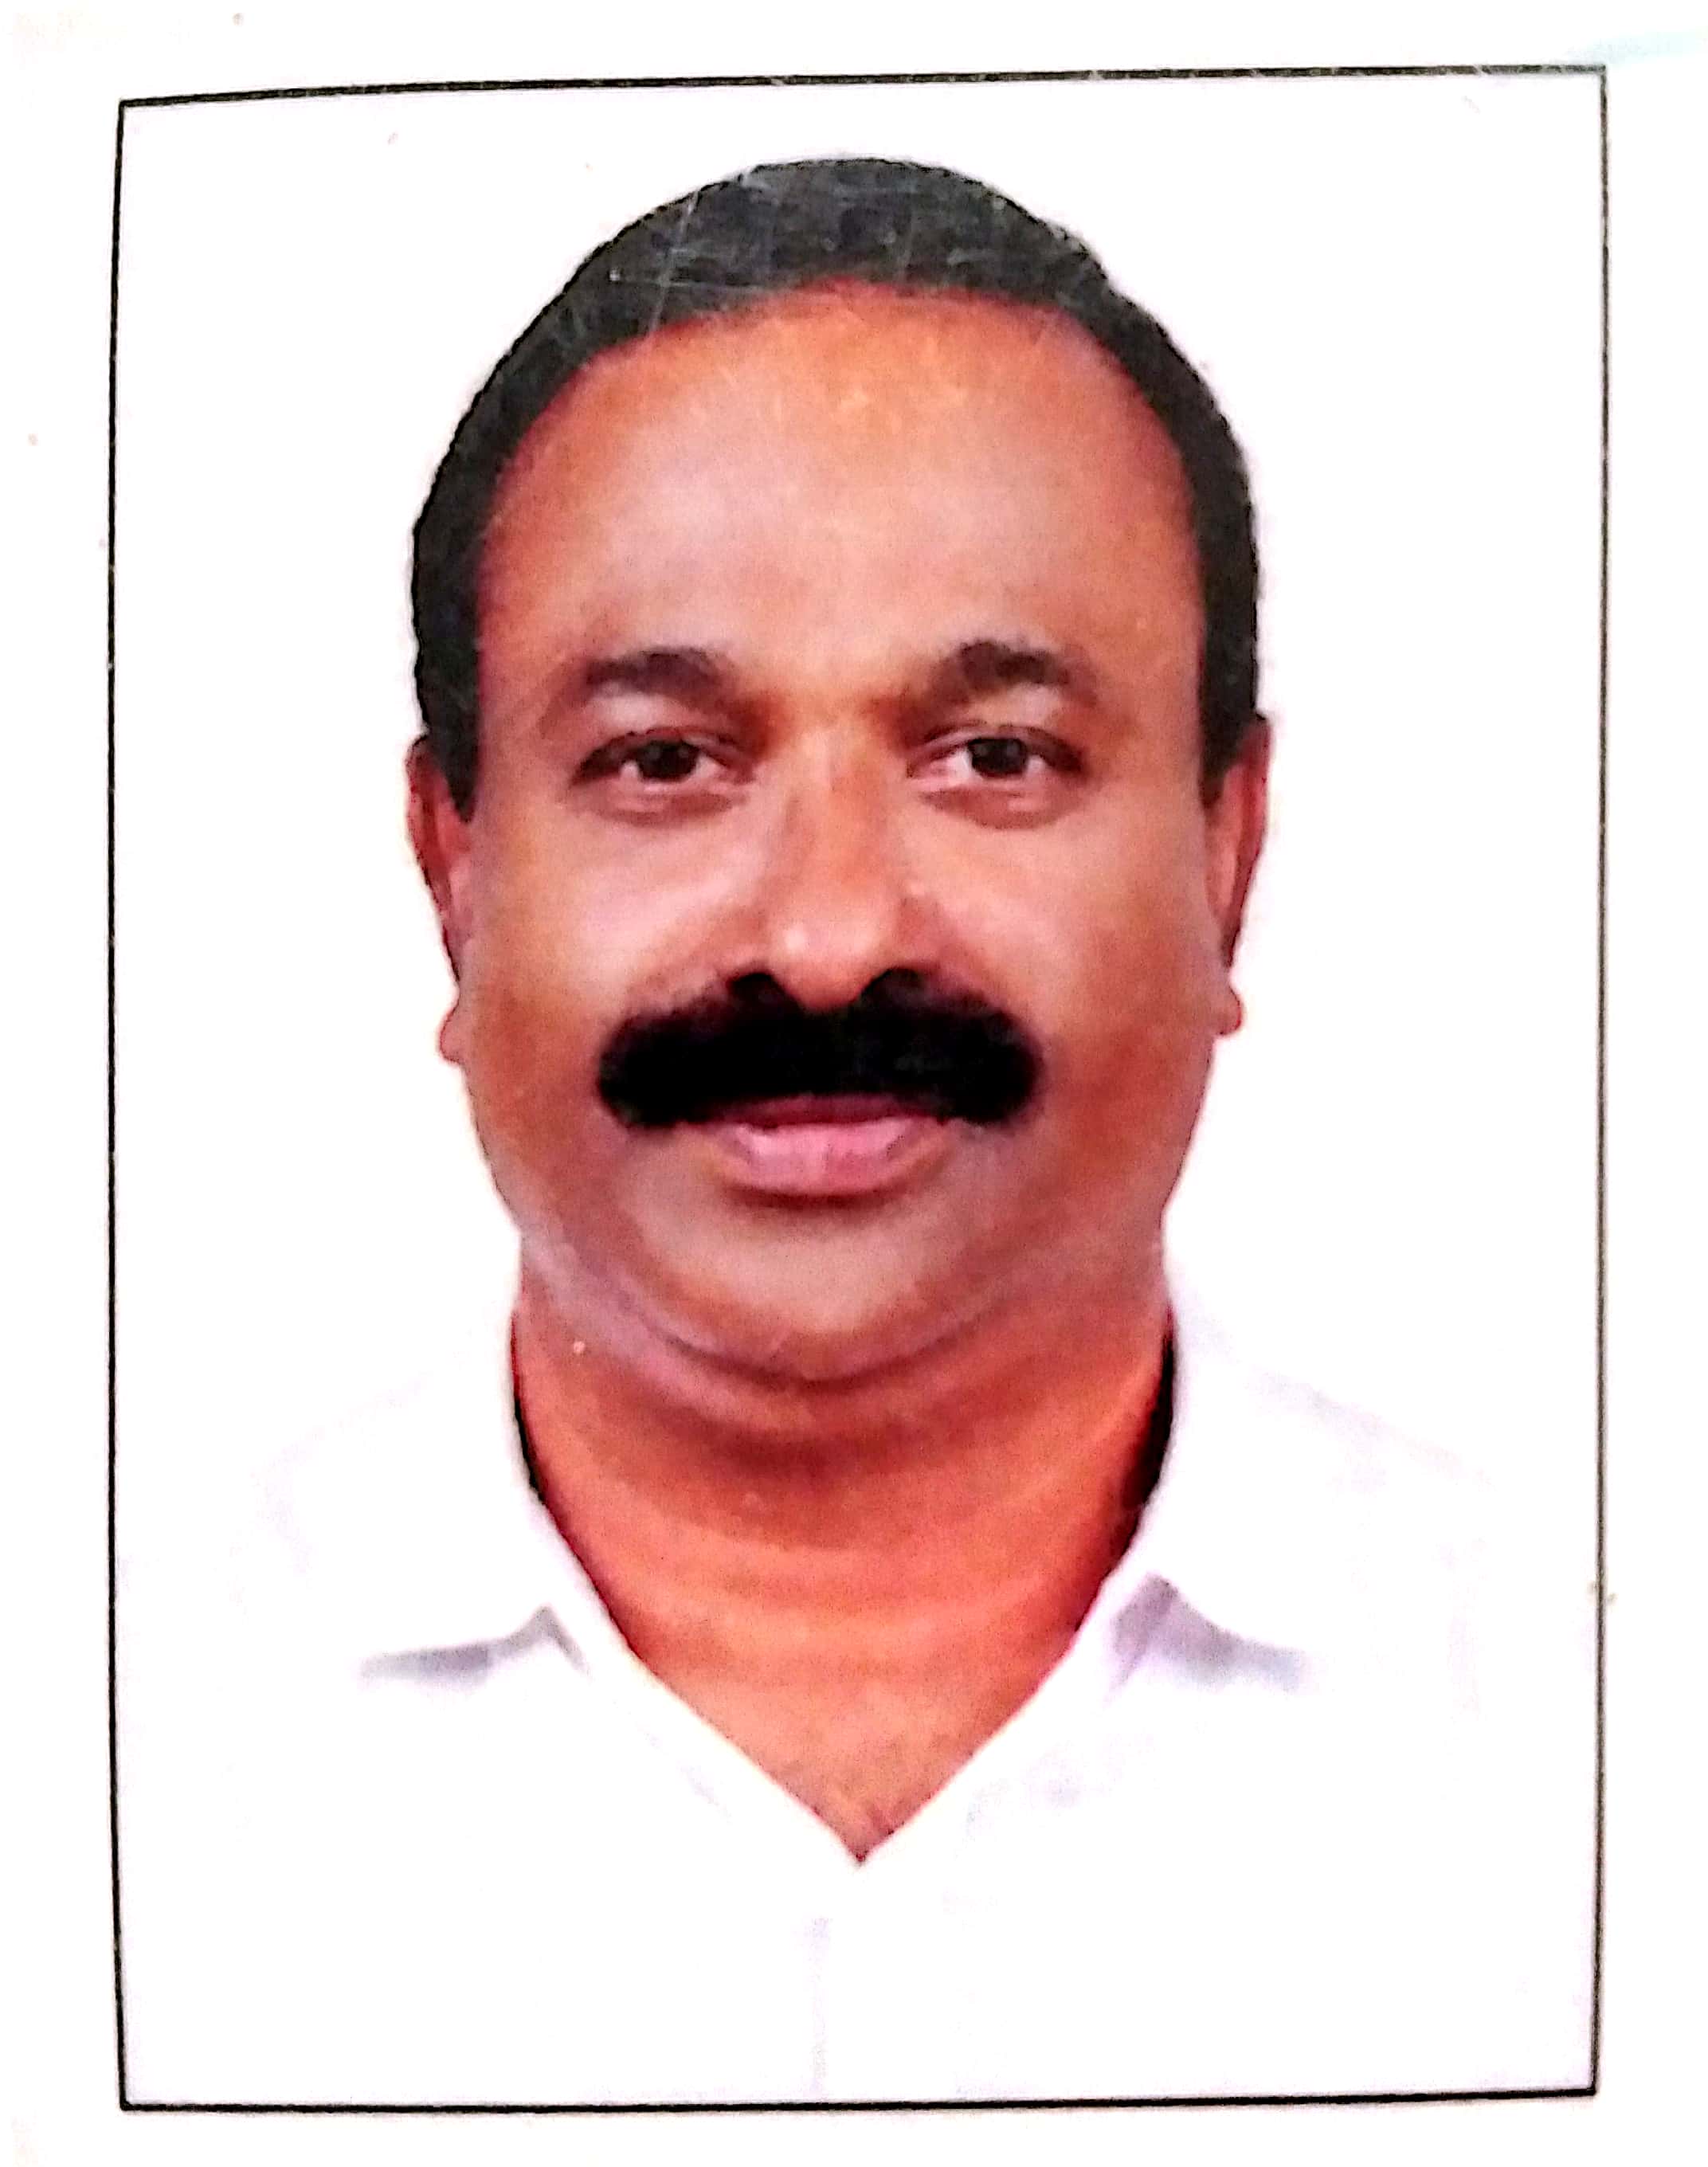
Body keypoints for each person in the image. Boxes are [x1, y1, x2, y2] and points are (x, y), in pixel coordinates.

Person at [119, 155, 1588, 2107]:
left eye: (995, 757)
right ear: (451, 872)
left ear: (1227, 855)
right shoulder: (103, 1738)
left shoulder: (1602, 1728)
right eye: (663, 760)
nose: (825, 937)